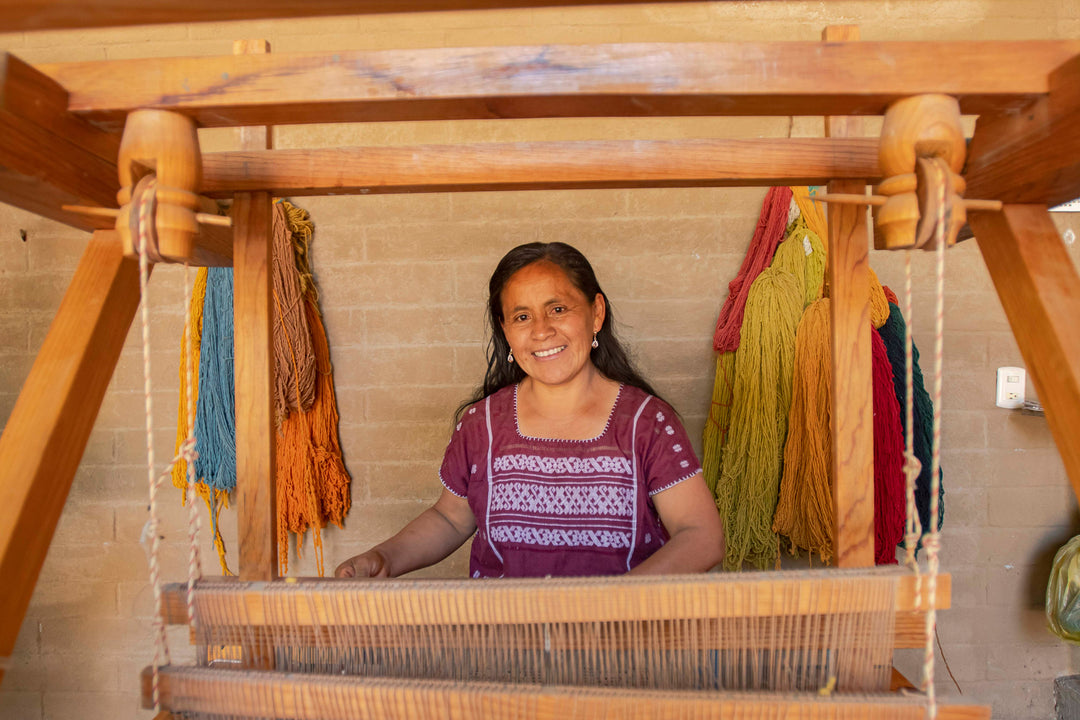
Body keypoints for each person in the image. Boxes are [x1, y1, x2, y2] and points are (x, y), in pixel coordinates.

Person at [335, 242, 724, 579]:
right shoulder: (482, 424)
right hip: (505, 653)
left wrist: (617, 602)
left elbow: (701, 535)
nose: (541, 330)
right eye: (522, 317)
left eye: (557, 309)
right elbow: (451, 518)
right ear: (506, 331)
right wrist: (383, 558)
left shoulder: (646, 422)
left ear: (597, 313)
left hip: (618, 652)